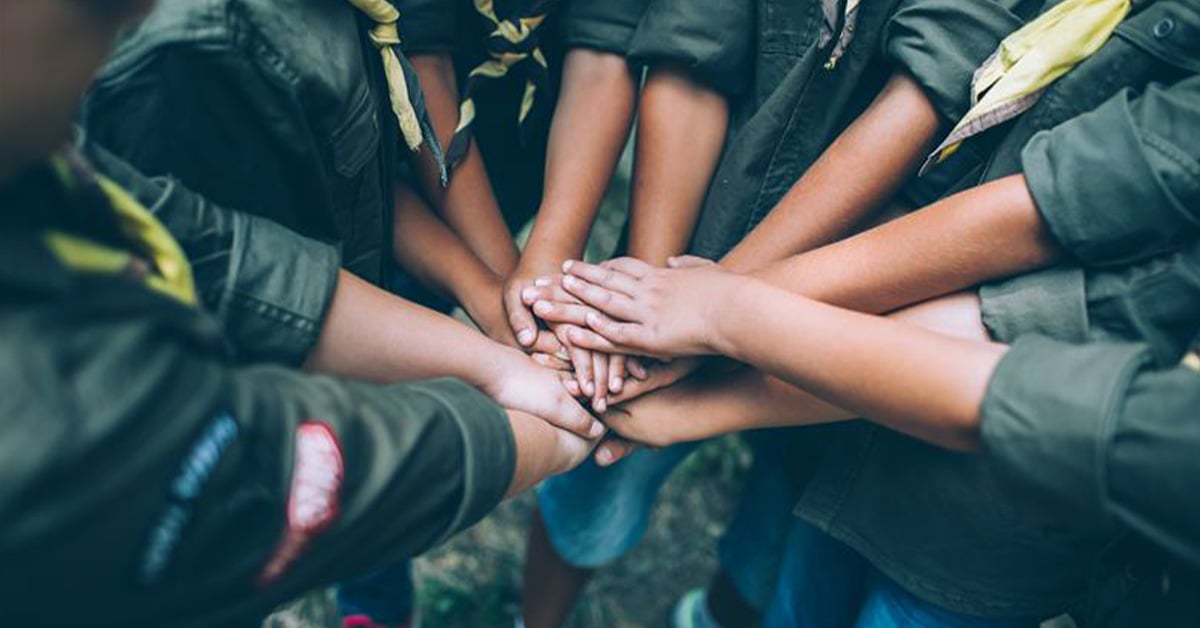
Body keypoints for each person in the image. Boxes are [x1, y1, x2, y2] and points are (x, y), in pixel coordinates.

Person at [542, 0, 1200, 623]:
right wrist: (681, 316)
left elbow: (1036, 332)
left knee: (803, 549)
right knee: (791, 573)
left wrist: (718, 317)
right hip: (823, 333)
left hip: (963, 494)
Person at [0, 2, 599, 626]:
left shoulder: (30, 148)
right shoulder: (41, 418)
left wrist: (501, 367)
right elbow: (279, 475)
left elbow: (223, 254)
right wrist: (548, 433)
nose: (133, 11)